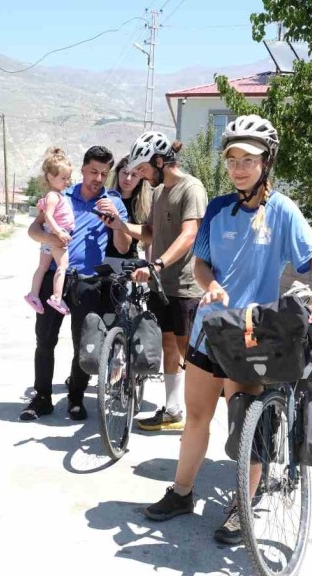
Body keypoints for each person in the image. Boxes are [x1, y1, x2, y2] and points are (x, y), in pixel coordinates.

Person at [140, 114, 312, 544]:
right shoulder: (217, 209)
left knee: (245, 424)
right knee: (196, 416)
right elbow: (202, 262)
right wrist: (211, 288)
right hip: (210, 330)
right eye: (232, 159)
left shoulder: (282, 210)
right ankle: (182, 491)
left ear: (267, 162)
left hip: (253, 335)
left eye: (249, 159)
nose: (239, 167)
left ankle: (241, 507)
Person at [20, 146, 129, 421]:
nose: (98, 178)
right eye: (93, 171)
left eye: (104, 173)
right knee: (45, 339)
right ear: (82, 169)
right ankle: (42, 397)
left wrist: (115, 223)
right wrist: (50, 239)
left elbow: (124, 246)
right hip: (53, 277)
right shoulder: (61, 193)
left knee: (84, 343)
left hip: (89, 283)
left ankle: (77, 399)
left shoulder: (113, 201)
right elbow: (34, 230)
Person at [119, 132, 209, 433]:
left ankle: (200, 419)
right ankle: (173, 411)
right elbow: (149, 233)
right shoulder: (158, 193)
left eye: (144, 169)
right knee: (169, 346)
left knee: (190, 353)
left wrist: (156, 263)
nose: (142, 176)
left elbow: (189, 235)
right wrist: (120, 226)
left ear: (160, 161)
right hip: (161, 285)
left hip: (185, 285)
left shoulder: (191, 188)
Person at [23, 148, 76, 315]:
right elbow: (48, 216)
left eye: (68, 178)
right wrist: (59, 233)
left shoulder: (54, 195)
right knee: (62, 266)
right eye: (63, 178)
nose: (66, 182)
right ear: (50, 177)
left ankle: (33, 294)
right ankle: (57, 297)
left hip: (50, 236)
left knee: (43, 266)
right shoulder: (53, 196)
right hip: (55, 237)